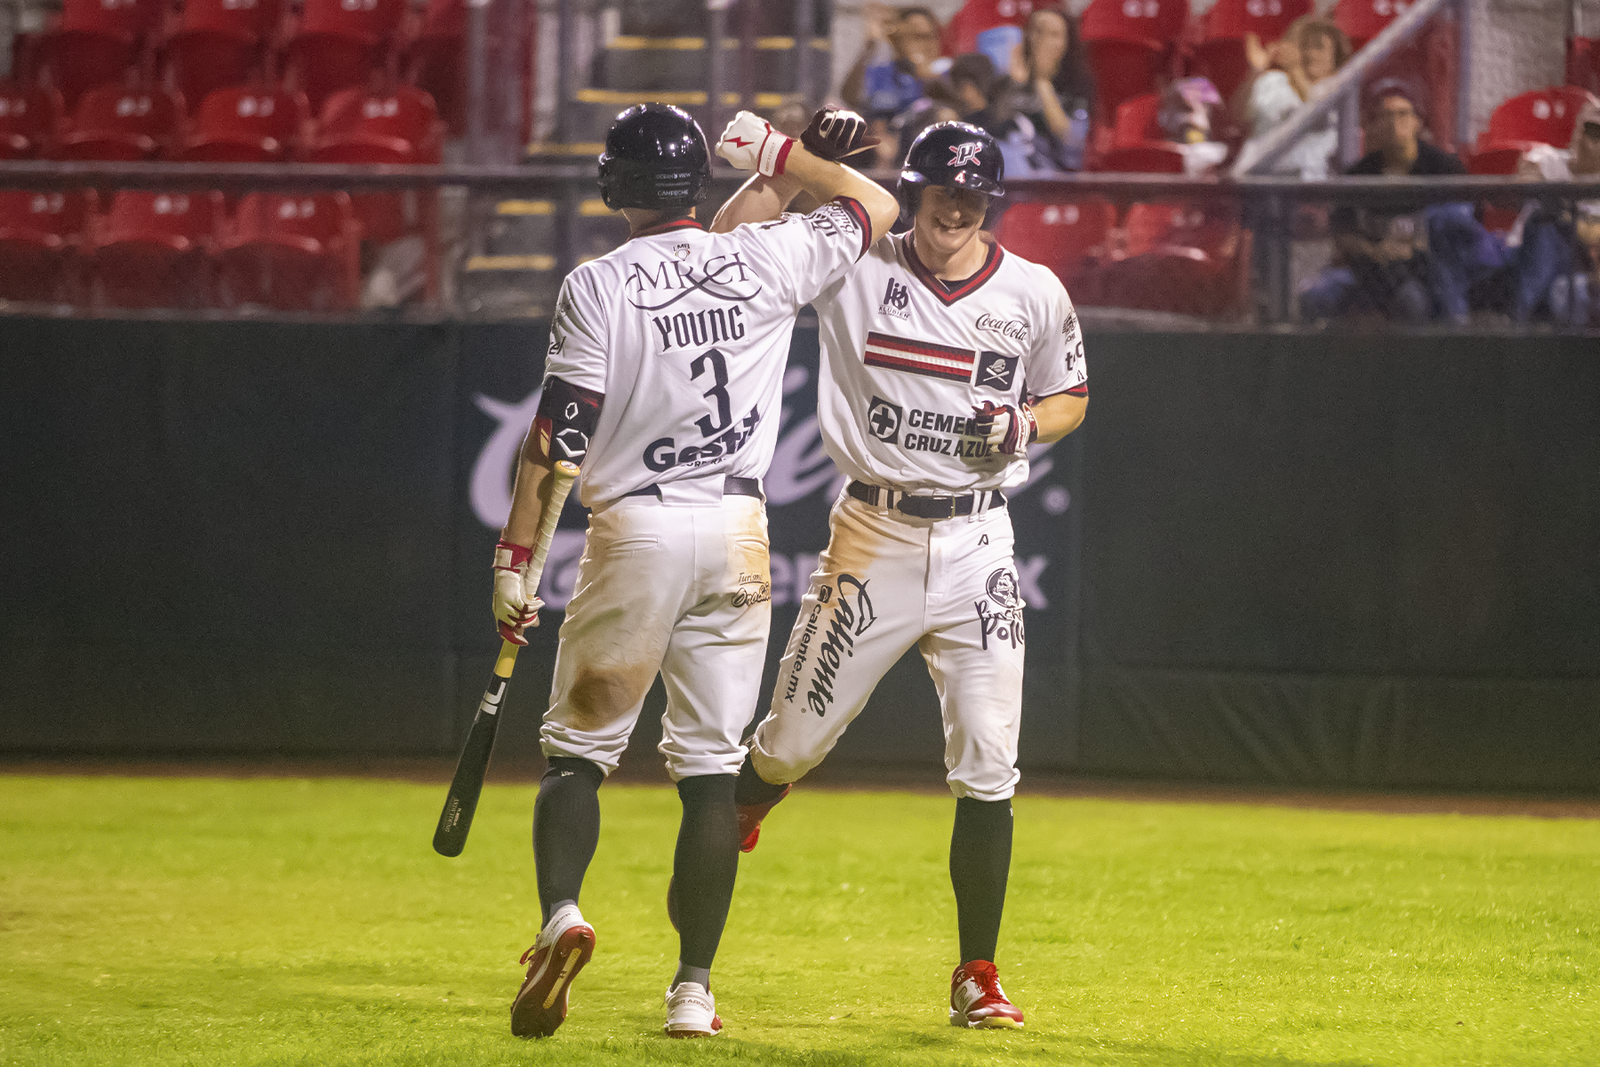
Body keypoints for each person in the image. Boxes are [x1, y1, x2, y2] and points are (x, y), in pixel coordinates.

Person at [495, 102, 898, 1040]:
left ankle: (564, 916)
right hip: (737, 526)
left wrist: (517, 563)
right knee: (713, 771)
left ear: (614, 184)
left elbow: (559, 441)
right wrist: (786, 158)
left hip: (635, 525)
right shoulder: (762, 256)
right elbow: (873, 201)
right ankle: (693, 991)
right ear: (697, 183)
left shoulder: (598, 282)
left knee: (578, 753)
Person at [710, 120, 1088, 1029]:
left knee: (991, 764)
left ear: (990, 201)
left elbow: (1070, 393)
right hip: (873, 531)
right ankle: (743, 812)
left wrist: (1029, 426)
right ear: (912, 191)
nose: (956, 207)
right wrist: (798, 157)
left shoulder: (1033, 290)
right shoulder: (861, 259)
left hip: (979, 541)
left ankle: (978, 972)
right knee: (789, 743)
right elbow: (737, 245)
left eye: (972, 194)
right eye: (940, 191)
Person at [1299, 83, 1466, 323]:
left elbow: (1463, 229)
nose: (1394, 122)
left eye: (1403, 114)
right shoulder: (1357, 175)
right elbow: (1342, 234)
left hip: (1423, 272)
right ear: (1373, 126)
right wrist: (1374, 251)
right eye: (1385, 116)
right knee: (1313, 297)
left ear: (1418, 121)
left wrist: (1418, 246)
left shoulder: (1446, 168)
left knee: (1412, 301)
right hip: (1366, 270)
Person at [1234, 16, 1352, 178]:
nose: (1310, 53)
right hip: (1260, 177)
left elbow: (1318, 115)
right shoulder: (1273, 81)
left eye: (1319, 47)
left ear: (1335, 57)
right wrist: (1255, 72)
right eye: (1304, 46)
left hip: (1310, 181)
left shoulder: (1339, 88)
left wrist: (1295, 70)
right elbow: (1238, 117)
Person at [990, 6, 1094, 173]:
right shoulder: (1007, 83)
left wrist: (1042, 81)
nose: (1041, 40)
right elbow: (997, 129)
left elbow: (1072, 147)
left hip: (1055, 183)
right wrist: (1015, 83)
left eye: (1053, 34)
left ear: (1067, 43)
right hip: (1012, 178)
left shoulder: (1079, 87)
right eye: (1037, 31)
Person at [843, 5, 947, 169]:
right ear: (897, 39)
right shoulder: (884, 71)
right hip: (885, 155)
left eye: (928, 37)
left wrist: (925, 74)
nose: (924, 44)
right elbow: (849, 96)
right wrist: (869, 47)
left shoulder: (945, 73)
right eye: (914, 37)